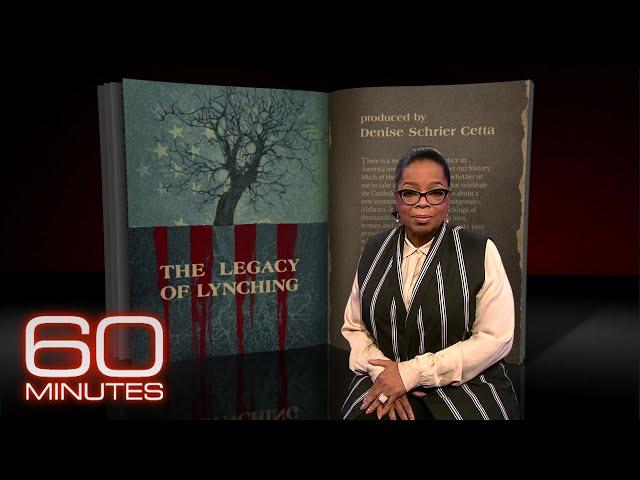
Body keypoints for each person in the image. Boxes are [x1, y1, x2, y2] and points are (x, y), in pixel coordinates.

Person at [340, 146, 519, 420]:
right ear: (397, 199)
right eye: (410, 192)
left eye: (435, 192)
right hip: (384, 374)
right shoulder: (374, 249)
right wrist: (386, 373)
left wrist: (412, 373)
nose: (422, 203)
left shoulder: (478, 250)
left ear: (448, 199)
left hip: (464, 384)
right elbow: (355, 327)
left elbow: (496, 338)